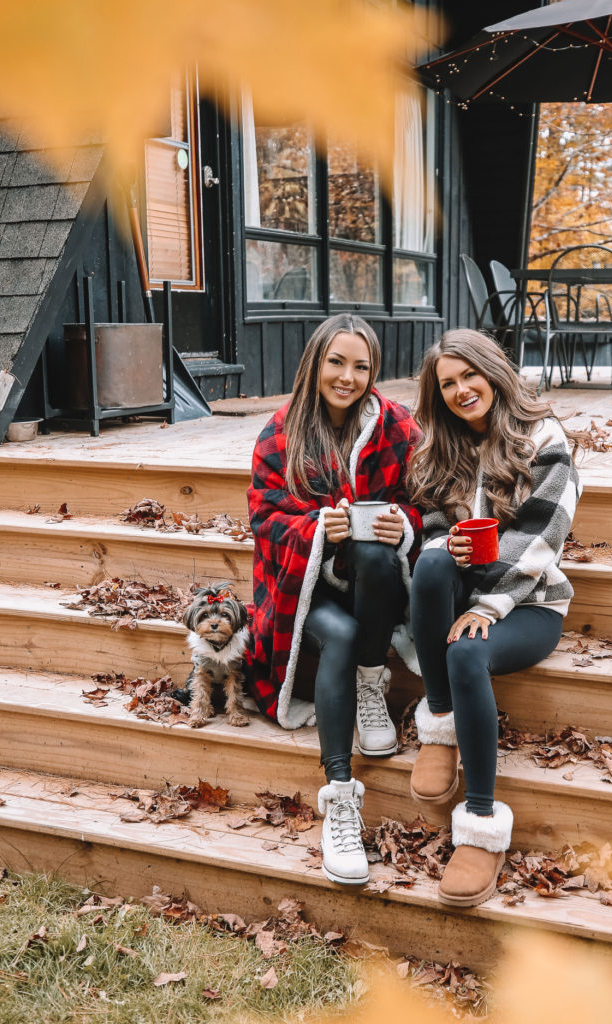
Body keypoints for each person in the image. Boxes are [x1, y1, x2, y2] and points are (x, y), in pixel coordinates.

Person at [406, 329, 581, 907]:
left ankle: (480, 827)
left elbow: (543, 536)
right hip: (460, 592)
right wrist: (448, 547)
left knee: (466, 652)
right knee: (430, 569)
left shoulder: (543, 438)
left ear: (493, 372)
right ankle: (439, 719)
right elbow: (434, 529)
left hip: (529, 601)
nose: (460, 391)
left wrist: (489, 605)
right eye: (447, 384)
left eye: (468, 376)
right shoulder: (439, 447)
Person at [247, 313, 421, 887]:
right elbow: (264, 518)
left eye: (361, 365)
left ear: (375, 370)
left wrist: (407, 525)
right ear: (316, 363)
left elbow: (431, 500)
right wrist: (319, 528)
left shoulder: (398, 429)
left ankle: (372, 683)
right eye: (336, 362)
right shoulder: (280, 432)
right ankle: (341, 798)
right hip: (304, 584)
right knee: (338, 634)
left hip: (375, 583)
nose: (348, 376)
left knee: (375, 552)